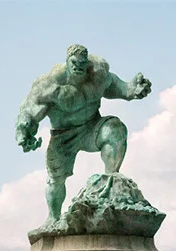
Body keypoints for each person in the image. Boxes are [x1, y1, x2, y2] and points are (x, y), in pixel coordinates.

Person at [15, 44, 152, 225]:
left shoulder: (98, 74)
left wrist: (131, 89)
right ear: (67, 62)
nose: (79, 67)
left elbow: (116, 87)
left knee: (115, 129)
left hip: (92, 126)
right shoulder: (50, 85)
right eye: (74, 63)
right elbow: (29, 112)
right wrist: (24, 132)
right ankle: (53, 217)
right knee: (56, 179)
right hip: (63, 136)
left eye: (82, 63)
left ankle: (111, 183)